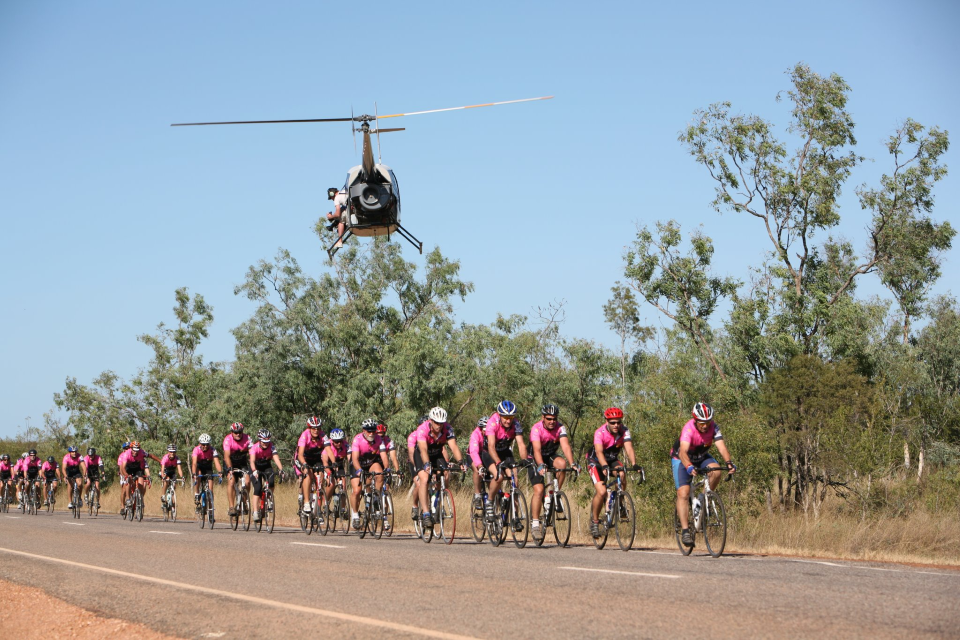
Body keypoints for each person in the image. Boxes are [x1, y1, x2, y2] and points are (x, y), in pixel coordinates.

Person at [672, 402, 735, 547]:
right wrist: (688, 466)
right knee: (683, 492)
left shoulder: (714, 427)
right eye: (702, 423)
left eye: (708, 422)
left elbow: (721, 446)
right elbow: (683, 451)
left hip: (701, 456)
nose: (705, 426)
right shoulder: (688, 429)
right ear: (695, 420)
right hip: (682, 458)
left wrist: (729, 462)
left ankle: (704, 496)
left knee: (717, 470)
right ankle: (686, 531)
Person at [586, 407, 640, 539]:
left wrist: (634, 464)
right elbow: (599, 452)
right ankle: (595, 521)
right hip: (595, 461)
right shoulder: (600, 433)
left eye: (618, 422)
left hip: (612, 460)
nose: (616, 425)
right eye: (613, 422)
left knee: (622, 473)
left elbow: (629, 448)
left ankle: (620, 501)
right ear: (607, 421)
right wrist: (604, 465)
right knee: (602, 492)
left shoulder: (624, 431)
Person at [528, 404, 580, 538]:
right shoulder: (536, 429)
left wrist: (573, 463)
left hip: (550, 455)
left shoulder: (560, 428)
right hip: (535, 457)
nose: (552, 421)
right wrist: (540, 465)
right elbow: (537, 450)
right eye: (549, 418)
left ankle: (555, 494)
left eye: (554, 419)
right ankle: (535, 524)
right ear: (543, 418)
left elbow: (566, 446)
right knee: (539, 490)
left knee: (562, 464)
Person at [414, 407, 466, 528]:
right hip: (422, 454)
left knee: (446, 472)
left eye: (441, 423)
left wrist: (461, 462)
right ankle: (426, 513)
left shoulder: (448, 429)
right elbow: (423, 449)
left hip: (436, 453)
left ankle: (437, 499)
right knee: (425, 479)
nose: (439, 426)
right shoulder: (422, 429)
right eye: (437, 423)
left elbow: (453, 446)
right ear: (431, 421)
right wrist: (426, 464)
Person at [483, 401, 528, 522]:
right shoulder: (493, 422)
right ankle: (490, 501)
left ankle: (515, 516)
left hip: (505, 451)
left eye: (511, 418)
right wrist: (498, 462)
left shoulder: (516, 424)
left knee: (514, 479)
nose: (508, 421)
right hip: (489, 452)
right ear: (499, 415)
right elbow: (491, 446)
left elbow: (521, 444)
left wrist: (524, 459)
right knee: (499, 476)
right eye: (506, 418)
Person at [349, 418, 390, 530]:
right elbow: (355, 459)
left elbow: (384, 456)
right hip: (357, 464)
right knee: (357, 490)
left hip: (371, 463)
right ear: (364, 430)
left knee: (380, 474)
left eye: (373, 431)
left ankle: (376, 498)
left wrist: (387, 468)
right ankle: (355, 514)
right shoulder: (357, 440)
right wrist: (359, 470)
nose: (371, 433)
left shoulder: (378, 439)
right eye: (368, 431)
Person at [118, 442, 162, 514]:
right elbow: (123, 467)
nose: (135, 452)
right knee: (128, 481)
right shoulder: (126, 454)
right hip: (128, 468)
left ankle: (139, 498)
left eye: (137, 450)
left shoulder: (142, 452)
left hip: (137, 468)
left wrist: (160, 461)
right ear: (131, 449)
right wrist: (126, 475)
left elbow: (151, 456)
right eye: (134, 450)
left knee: (141, 483)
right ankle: (128, 499)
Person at [296, 416, 326, 518]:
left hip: (316, 459)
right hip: (303, 458)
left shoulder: (323, 435)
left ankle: (318, 510)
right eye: (313, 428)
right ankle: (306, 503)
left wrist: (333, 462)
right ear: (309, 428)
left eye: (318, 428)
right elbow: (300, 454)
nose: (316, 430)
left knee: (320, 476)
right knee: (307, 475)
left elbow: (329, 449)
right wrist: (304, 464)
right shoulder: (305, 435)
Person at [222, 422, 252, 517]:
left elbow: (252, 454)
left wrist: (253, 466)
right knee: (231, 482)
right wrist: (230, 469)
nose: (238, 434)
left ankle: (244, 501)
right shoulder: (227, 440)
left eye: (240, 432)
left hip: (242, 463)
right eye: (235, 432)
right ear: (232, 432)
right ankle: (231, 507)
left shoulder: (248, 438)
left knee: (247, 482)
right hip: (230, 462)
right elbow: (226, 456)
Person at [320, 428, 349, 513]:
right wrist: (328, 472)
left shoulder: (345, 445)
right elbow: (324, 462)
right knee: (331, 483)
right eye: (336, 441)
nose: (339, 443)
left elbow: (350, 457)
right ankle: (326, 503)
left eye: (340, 441)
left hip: (339, 466)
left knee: (343, 485)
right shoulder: (328, 447)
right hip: (327, 466)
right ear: (332, 441)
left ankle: (343, 508)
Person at [191, 433, 223, 505]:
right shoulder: (196, 450)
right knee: (198, 474)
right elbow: (194, 463)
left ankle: (211, 509)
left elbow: (217, 462)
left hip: (208, 468)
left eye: (207, 444)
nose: (205, 446)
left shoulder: (212, 450)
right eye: (203, 444)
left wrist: (220, 472)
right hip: (199, 467)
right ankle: (197, 493)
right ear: (200, 444)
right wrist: (194, 474)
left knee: (210, 490)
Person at [468, 417, 488, 509]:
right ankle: (477, 495)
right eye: (485, 430)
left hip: (485, 455)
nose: (487, 432)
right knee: (477, 471)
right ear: (480, 428)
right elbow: (474, 452)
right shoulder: (475, 435)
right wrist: (480, 466)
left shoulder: (492, 435)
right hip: (472, 455)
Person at [159, 444, 184, 509]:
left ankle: (172, 501)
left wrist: (182, 477)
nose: (172, 453)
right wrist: (163, 476)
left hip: (172, 472)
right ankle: (163, 496)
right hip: (165, 472)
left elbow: (179, 470)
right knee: (166, 481)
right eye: (171, 451)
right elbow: (162, 469)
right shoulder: (165, 458)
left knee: (174, 485)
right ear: (168, 452)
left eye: (174, 452)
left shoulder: (177, 458)